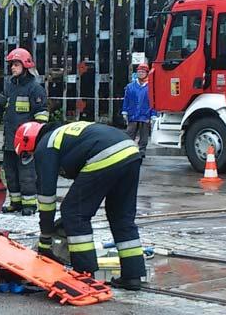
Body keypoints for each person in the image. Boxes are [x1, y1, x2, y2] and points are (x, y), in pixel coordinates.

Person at [14, 120, 146, 291]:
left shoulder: (45, 146)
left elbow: (46, 197)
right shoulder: (65, 133)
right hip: (130, 151)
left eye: (28, 154)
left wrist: (45, 238)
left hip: (106, 154)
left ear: (28, 141)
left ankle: (85, 274)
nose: (33, 157)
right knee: (121, 216)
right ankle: (132, 276)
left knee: (73, 212)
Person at [1, 48, 48, 216]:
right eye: (11, 65)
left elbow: (41, 116)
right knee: (10, 172)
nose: (12, 68)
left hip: (26, 141)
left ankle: (29, 204)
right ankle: (16, 202)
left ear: (25, 65)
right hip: (10, 139)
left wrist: (35, 139)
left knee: (26, 174)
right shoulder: (10, 87)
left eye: (15, 64)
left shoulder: (35, 89)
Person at [121, 62, 156, 160]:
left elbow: (153, 102)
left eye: (143, 72)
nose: (141, 74)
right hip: (133, 115)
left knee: (144, 135)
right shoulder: (130, 86)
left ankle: (142, 151)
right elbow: (126, 100)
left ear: (147, 73)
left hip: (145, 115)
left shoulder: (151, 87)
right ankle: (127, 150)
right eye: (139, 72)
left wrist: (153, 115)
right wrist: (124, 111)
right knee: (129, 133)